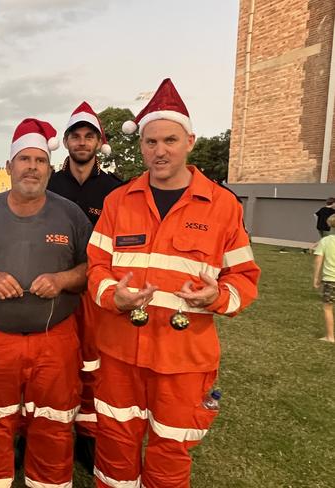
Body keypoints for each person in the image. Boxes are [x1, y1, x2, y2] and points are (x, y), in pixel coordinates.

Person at [87, 78, 261, 487]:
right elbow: (95, 268)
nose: (159, 151)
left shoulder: (223, 206)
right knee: (114, 445)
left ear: (190, 141)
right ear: (140, 145)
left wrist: (219, 296)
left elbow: (244, 279)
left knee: (170, 453)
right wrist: (115, 296)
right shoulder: (118, 201)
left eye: (170, 140)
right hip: (119, 354)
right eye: (150, 142)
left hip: (184, 358)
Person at [0, 118, 92, 488]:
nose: (32, 167)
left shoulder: (70, 214)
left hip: (55, 339)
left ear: (49, 167)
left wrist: (62, 280)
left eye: (40, 160)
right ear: (9, 167)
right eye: (24, 159)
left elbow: (93, 267)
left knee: (55, 424)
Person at [47, 101, 122, 473]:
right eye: (75, 136)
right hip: (53, 289)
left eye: (88, 136)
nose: (81, 142)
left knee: (93, 366)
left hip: (95, 293)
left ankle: (88, 438)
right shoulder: (48, 184)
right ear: (65, 142)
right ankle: (39, 432)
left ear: (98, 142)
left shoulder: (115, 190)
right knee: (52, 364)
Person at [313, 213, 335, 343]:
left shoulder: (325, 241)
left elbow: (318, 260)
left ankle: (330, 336)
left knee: (328, 307)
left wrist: (316, 277)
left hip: (330, 280)